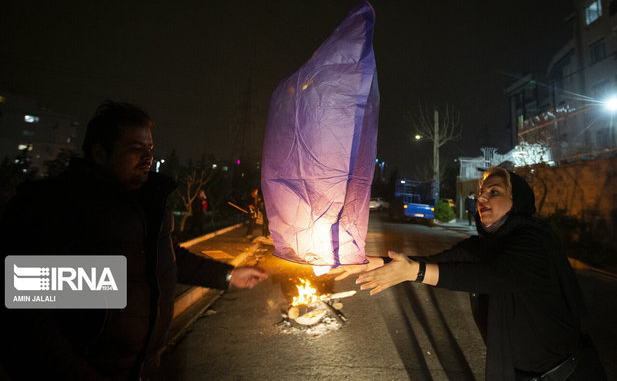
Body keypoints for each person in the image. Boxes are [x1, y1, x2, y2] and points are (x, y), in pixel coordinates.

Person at [0, 101, 267, 380]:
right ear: (99, 153)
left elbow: (167, 260)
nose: (148, 157)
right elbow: (29, 313)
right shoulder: (57, 208)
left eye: (149, 149)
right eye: (135, 149)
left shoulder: (149, 203)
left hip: (143, 368)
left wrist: (228, 274)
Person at [332, 167, 606, 380]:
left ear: (517, 200)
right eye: (480, 192)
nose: (481, 198)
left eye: (494, 192)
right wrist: (376, 262)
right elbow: (437, 261)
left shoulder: (534, 240)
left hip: (568, 374)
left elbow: (493, 276)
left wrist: (415, 273)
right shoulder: (486, 245)